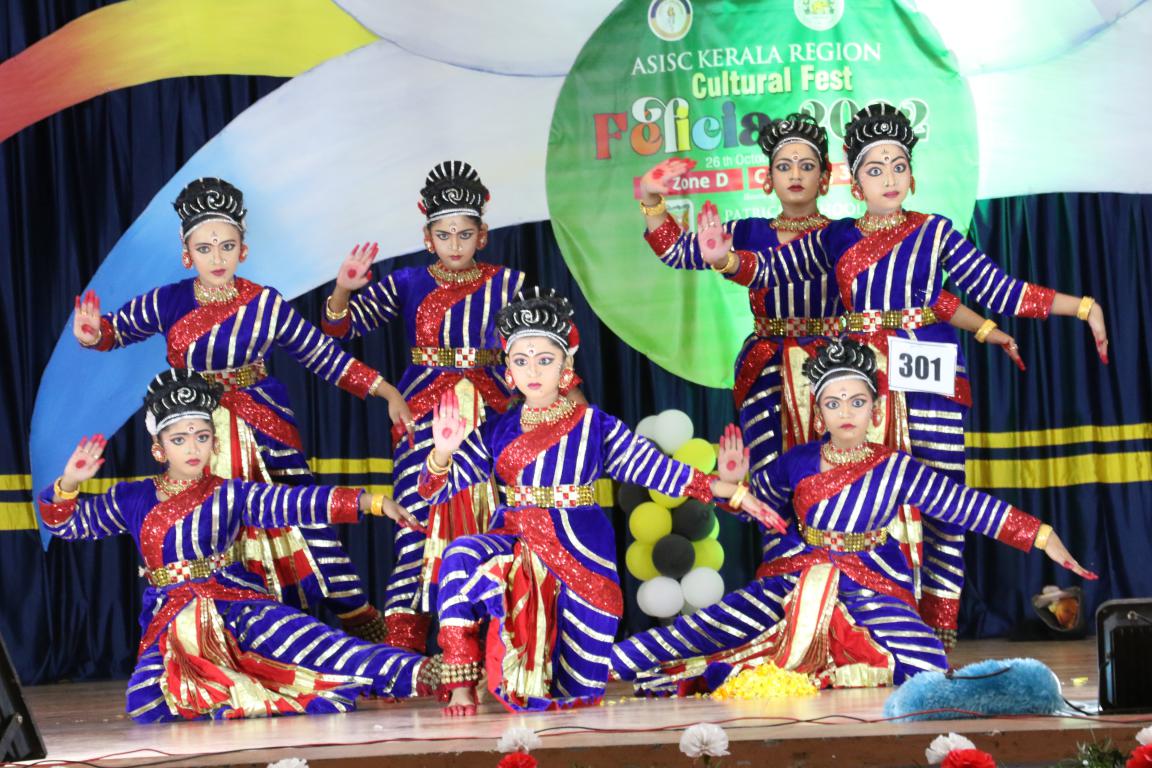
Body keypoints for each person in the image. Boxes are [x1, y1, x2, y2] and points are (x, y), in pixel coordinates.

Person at [611, 338, 1096, 692]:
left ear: (875, 410)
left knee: (925, 661)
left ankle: (843, 667)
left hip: (871, 579)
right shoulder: (797, 461)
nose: (846, 412)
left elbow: (967, 506)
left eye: (857, 402)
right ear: (819, 412)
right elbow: (760, 513)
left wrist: (1043, 536)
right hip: (800, 574)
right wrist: (737, 485)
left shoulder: (897, 468)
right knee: (715, 623)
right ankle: (604, 665)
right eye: (834, 403)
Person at [71, 178, 407, 640]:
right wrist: (94, 335)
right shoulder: (167, 301)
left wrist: (386, 391)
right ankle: (235, 639)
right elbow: (115, 330)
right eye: (205, 248)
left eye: (227, 246)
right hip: (195, 432)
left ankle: (364, 629)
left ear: (243, 250)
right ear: (187, 254)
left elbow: (322, 355)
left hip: (264, 428)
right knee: (210, 534)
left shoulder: (264, 304)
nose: (217, 258)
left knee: (305, 521)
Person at [419, 292, 786, 715]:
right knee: (461, 556)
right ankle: (461, 685)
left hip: (580, 552)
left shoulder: (595, 425)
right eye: (521, 361)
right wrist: (442, 452)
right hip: (517, 541)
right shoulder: (497, 429)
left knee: (577, 686)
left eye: (544, 360)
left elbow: (657, 469)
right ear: (508, 371)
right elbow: (434, 490)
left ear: (566, 366)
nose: (532, 371)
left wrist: (732, 490)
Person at [38, 369, 436, 722]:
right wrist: (69, 483)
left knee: (313, 643)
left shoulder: (230, 493)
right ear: (159, 448)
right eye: (179, 439)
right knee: (147, 702)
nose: (192, 448)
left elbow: (295, 502)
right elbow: (68, 524)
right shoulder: (132, 498)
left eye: (202, 437)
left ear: (214, 442)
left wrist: (371, 502)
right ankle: (240, 688)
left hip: (234, 603)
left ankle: (422, 673)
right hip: (173, 621)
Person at [322, 161, 556, 652]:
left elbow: (542, 348)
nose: (455, 244)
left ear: (482, 235)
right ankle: (404, 657)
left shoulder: (509, 283)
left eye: (464, 234)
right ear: (427, 237)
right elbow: (340, 328)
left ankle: (493, 648)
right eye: (444, 235)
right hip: (422, 416)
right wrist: (343, 288)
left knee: (493, 524)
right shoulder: (406, 282)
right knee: (415, 527)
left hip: (493, 415)